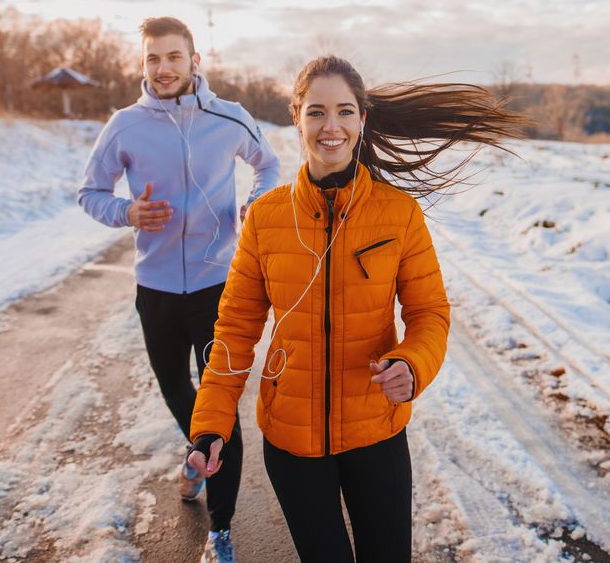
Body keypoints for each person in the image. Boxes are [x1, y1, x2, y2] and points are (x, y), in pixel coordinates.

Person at [187, 55, 524, 562]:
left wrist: (413, 364)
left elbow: (429, 312)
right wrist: (210, 423)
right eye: (317, 112)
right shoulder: (266, 218)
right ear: (296, 117)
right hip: (291, 440)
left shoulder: (398, 213)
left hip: (376, 432)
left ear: (362, 119)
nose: (332, 126)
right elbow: (234, 329)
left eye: (345, 111)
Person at [77, 16, 280, 563]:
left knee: (221, 404)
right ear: (143, 64)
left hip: (220, 288)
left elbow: (270, 164)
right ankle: (199, 453)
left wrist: (258, 200)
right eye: (152, 58)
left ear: (195, 61)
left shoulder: (228, 117)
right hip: (158, 290)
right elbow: (89, 192)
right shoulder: (124, 125)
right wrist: (127, 212)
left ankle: (221, 527)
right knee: (175, 390)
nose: (162, 68)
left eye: (173, 56)